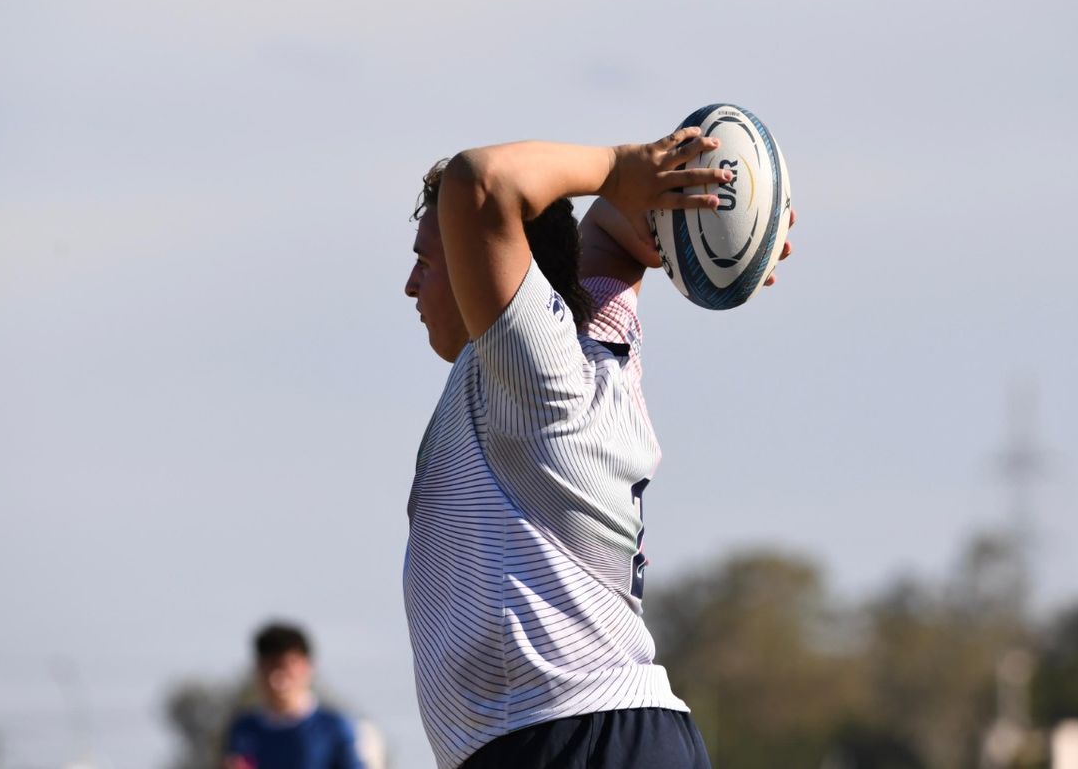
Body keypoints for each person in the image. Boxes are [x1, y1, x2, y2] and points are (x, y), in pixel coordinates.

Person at [402, 129, 792, 768]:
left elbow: (481, 184)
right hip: (586, 736)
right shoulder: (589, 344)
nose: (412, 286)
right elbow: (617, 228)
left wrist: (615, 166)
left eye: (427, 259)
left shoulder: (538, 377)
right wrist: (737, 212)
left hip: (567, 737)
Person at [224, 622, 365, 769]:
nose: (276, 679)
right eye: (269, 668)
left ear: (307, 667)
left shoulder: (333, 728)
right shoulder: (244, 728)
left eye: (285, 668)